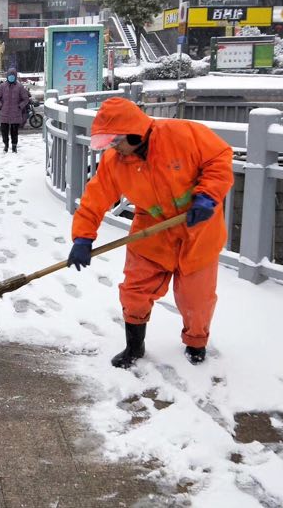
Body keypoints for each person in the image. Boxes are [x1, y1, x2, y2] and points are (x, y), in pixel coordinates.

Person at [67, 97, 233, 368]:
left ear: (134, 134)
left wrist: (208, 196)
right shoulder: (115, 161)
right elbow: (94, 199)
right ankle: (134, 346)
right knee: (134, 291)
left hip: (198, 229)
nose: (113, 148)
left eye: (115, 141)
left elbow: (219, 157)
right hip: (152, 230)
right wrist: (83, 237)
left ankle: (196, 343)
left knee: (196, 299)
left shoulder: (183, 135)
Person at [0, 67, 30, 153]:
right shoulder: (2, 86)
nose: (11, 77)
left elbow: (26, 99)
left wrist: (20, 106)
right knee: (4, 131)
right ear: (7, 76)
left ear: (15, 76)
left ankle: (14, 146)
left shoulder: (20, 87)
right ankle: (6, 145)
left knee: (14, 132)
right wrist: (0, 105)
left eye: (13, 76)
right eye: (10, 75)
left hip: (15, 113)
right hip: (4, 113)